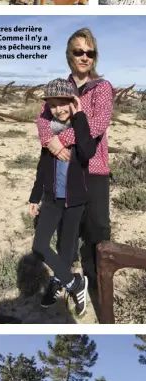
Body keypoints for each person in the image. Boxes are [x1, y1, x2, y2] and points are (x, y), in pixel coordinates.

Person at [36, 28, 114, 298]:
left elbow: (98, 125)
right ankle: (64, 279)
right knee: (66, 230)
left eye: (89, 52)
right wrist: (49, 142)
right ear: (70, 55)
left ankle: (97, 282)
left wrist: (61, 140)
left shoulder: (102, 88)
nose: (84, 57)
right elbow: (42, 119)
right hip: (66, 169)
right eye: (79, 51)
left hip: (93, 168)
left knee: (97, 228)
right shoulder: (62, 87)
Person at [30, 79, 97, 316]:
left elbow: (88, 151)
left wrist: (79, 116)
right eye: (53, 104)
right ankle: (75, 283)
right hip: (51, 199)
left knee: (66, 249)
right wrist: (34, 197)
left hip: (75, 200)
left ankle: (60, 283)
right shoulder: (47, 133)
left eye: (63, 104)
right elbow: (42, 167)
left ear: (72, 102)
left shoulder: (81, 127)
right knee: (39, 246)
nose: (59, 109)